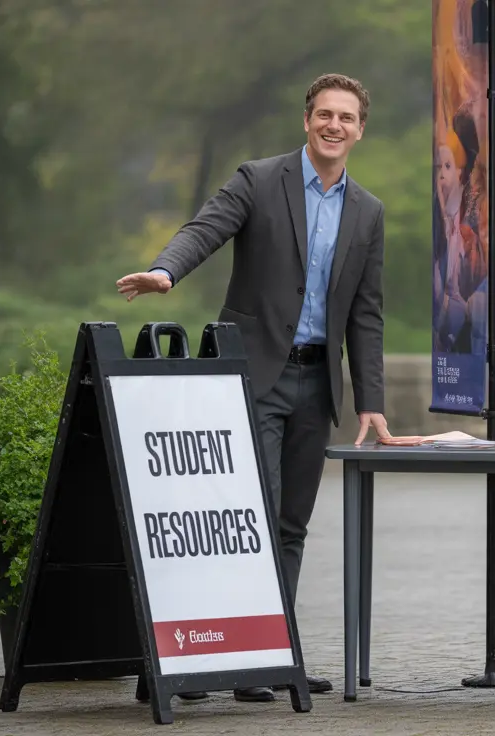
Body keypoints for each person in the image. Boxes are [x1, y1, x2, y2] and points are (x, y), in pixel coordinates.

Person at [115, 73, 392, 703]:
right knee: (247, 517)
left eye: (346, 118)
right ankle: (209, 652)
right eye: (324, 114)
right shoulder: (258, 180)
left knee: (290, 523)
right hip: (252, 374)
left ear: (359, 130)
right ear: (306, 120)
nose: (333, 126)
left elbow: (367, 313)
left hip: (318, 384)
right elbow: (205, 229)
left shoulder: (368, 212)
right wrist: (165, 271)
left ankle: (267, 653)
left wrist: (370, 401)